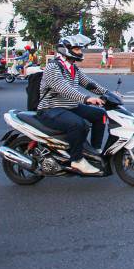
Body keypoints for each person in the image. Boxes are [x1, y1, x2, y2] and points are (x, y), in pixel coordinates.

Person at [37, 34, 111, 175]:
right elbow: (64, 88)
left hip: (69, 106)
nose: (80, 52)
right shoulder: (53, 67)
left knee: (100, 114)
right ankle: (77, 161)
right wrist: (86, 98)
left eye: (79, 49)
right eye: (77, 49)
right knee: (77, 124)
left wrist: (108, 93)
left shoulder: (73, 68)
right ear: (66, 50)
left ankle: (94, 151)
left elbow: (88, 83)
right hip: (50, 109)